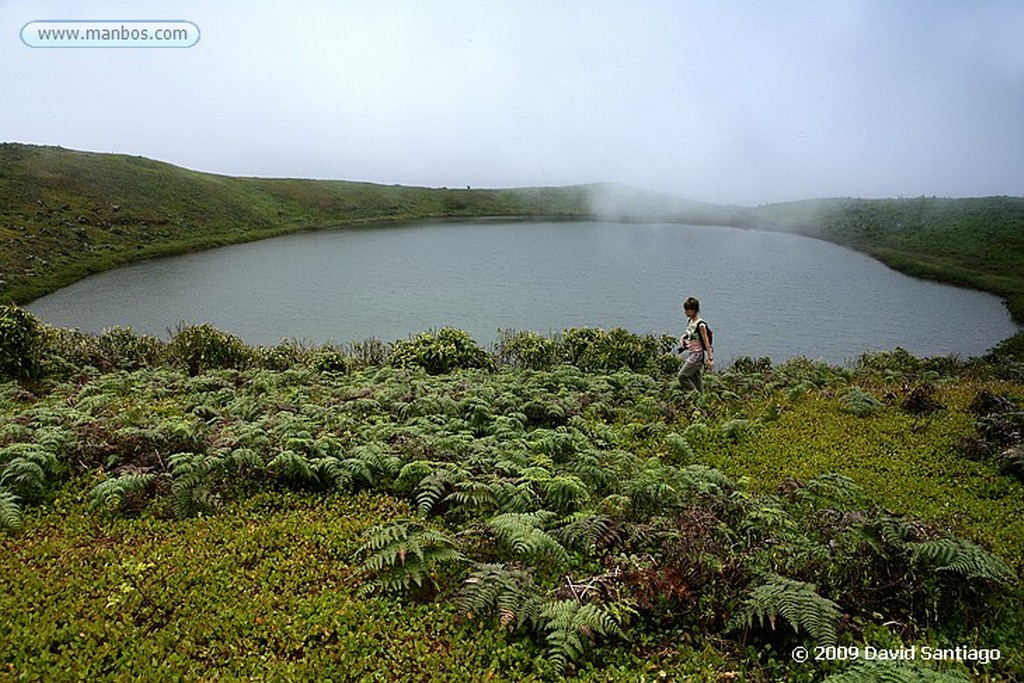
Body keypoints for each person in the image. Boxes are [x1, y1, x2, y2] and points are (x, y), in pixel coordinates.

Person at [677, 296, 714, 392]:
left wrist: (710, 358)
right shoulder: (690, 321)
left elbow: (706, 342)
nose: (685, 312)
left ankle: (694, 396)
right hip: (691, 352)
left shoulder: (701, 325)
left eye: (687, 310)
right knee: (696, 381)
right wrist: (683, 338)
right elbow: (689, 334)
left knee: (682, 376)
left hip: (697, 355)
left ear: (694, 310)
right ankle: (702, 401)